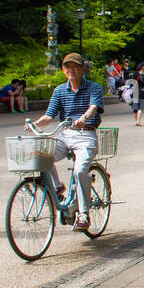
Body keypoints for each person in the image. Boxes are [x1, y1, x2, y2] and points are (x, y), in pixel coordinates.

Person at [32, 52, 103, 232]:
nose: (71, 70)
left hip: (86, 135)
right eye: (67, 67)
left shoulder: (94, 87)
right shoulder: (59, 90)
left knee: (80, 170)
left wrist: (84, 118)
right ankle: (57, 187)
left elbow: (94, 107)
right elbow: (50, 116)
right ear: (63, 70)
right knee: (42, 155)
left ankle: (83, 214)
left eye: (75, 67)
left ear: (82, 69)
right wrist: (36, 123)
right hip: (66, 134)